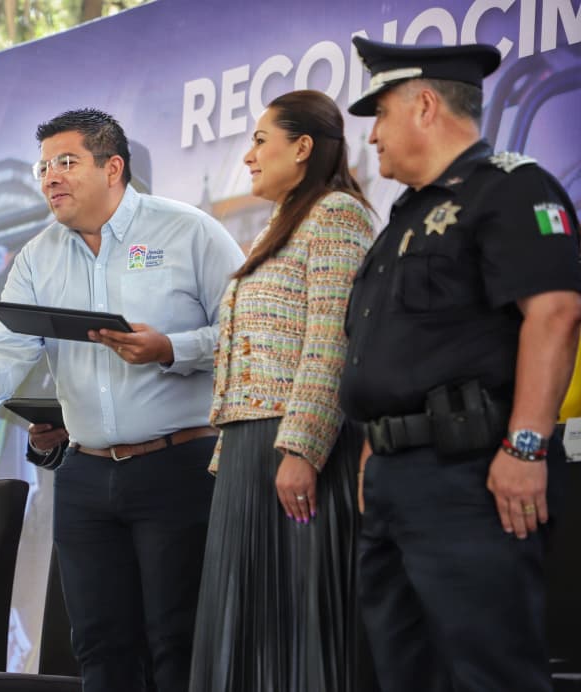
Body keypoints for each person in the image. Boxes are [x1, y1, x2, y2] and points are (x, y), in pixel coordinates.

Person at [0, 108, 244, 692]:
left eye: (66, 162)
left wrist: (171, 347)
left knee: (178, 639)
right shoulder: (39, 254)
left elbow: (251, 331)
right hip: (85, 478)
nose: (50, 178)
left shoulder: (188, 231)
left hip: (179, 466)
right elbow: (12, 342)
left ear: (113, 167)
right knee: (98, 643)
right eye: (43, 167)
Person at [340, 38, 581, 692]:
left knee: (489, 672)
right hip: (395, 476)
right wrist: (374, 450)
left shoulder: (510, 188)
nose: (374, 135)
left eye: (381, 113)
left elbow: (555, 314)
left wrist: (526, 446)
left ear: (424, 104)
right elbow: (394, 356)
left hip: (473, 474)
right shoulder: (403, 220)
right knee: (402, 672)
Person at [188, 90, 373, 691]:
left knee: (295, 635)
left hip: (295, 453)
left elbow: (331, 341)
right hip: (249, 454)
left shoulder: (338, 214)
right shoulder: (281, 223)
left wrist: (303, 449)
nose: (248, 156)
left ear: (303, 147)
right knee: (244, 634)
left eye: (261, 140)